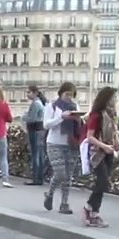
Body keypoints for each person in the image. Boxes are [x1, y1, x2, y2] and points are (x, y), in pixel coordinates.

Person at [83, 86, 119, 228]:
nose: (115, 100)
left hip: (108, 152)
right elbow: (90, 137)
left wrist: (118, 145)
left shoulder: (112, 115)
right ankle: (90, 209)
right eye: (113, 98)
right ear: (106, 99)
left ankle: (93, 211)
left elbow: (114, 132)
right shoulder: (97, 115)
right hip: (97, 153)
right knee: (103, 181)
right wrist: (104, 146)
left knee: (103, 183)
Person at [42, 81, 83, 215]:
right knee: (60, 173)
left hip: (71, 144)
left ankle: (64, 203)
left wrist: (78, 120)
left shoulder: (75, 106)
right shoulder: (52, 106)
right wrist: (61, 117)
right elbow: (46, 125)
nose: (69, 97)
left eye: (72, 95)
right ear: (61, 93)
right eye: (67, 94)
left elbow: (81, 126)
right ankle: (49, 193)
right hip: (54, 143)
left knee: (68, 176)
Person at [23, 85, 48, 185]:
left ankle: (36, 178)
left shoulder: (35, 104)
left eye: (29, 92)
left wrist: (24, 117)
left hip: (34, 130)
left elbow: (32, 118)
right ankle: (40, 177)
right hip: (40, 130)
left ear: (35, 93)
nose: (27, 94)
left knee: (35, 154)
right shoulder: (40, 103)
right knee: (40, 154)